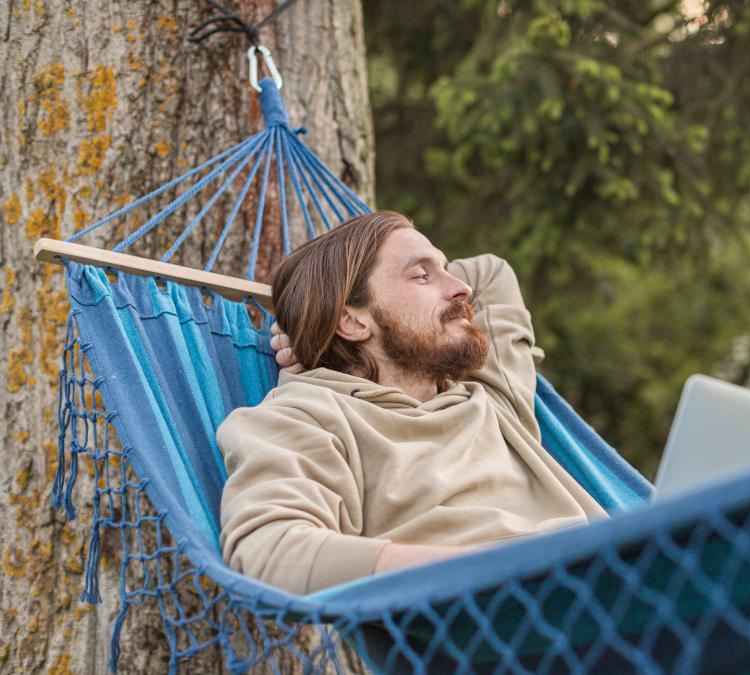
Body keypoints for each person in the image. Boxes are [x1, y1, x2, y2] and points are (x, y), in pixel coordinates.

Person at [217, 211, 607, 595]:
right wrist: (486, 572)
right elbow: (272, 549)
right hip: (506, 610)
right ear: (353, 322)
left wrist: (318, 323)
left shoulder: (492, 397)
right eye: (421, 275)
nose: (462, 289)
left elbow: (491, 274)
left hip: (612, 583)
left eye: (445, 270)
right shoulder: (307, 417)